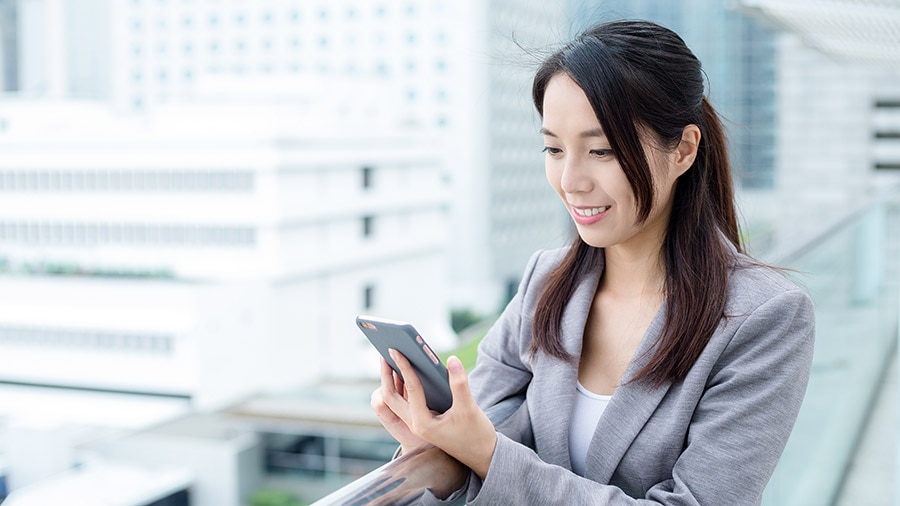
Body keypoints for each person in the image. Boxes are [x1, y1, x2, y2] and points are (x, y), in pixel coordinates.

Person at [371, 19, 815, 505]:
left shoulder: (765, 317)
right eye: (554, 149)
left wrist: (485, 453)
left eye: (601, 150)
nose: (571, 180)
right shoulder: (546, 281)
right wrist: (432, 450)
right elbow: (484, 445)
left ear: (684, 149)